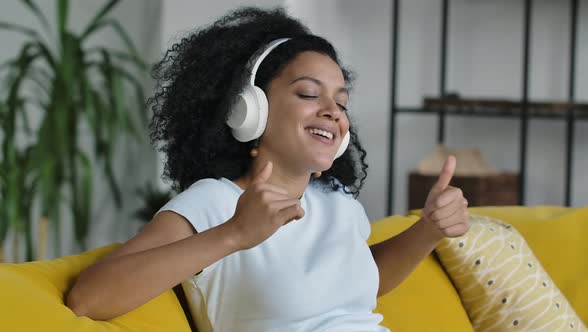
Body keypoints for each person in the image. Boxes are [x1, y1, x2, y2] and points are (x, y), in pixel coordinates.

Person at [66, 6, 470, 332]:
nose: (332, 112)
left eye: (341, 102)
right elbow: (89, 298)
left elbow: (357, 288)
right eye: (309, 94)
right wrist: (235, 234)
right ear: (250, 110)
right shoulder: (214, 202)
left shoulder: (336, 202)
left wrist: (428, 230)